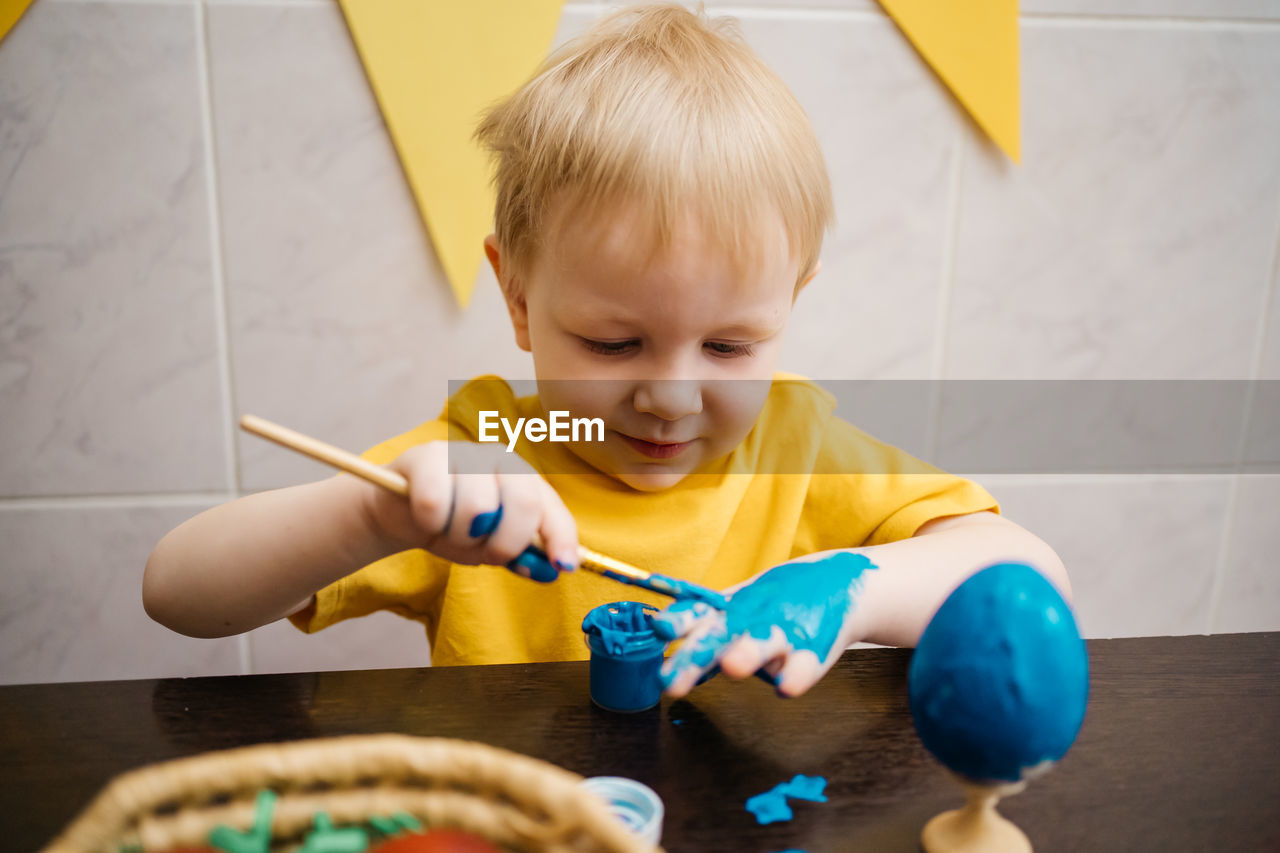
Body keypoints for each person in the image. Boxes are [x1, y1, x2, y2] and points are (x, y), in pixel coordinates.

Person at [144, 3, 1069, 699]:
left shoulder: (796, 449)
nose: (670, 398)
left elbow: (1030, 575)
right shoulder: (485, 455)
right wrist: (374, 516)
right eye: (615, 342)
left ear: (791, 306)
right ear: (517, 299)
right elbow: (176, 595)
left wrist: (855, 586)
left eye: (730, 344)